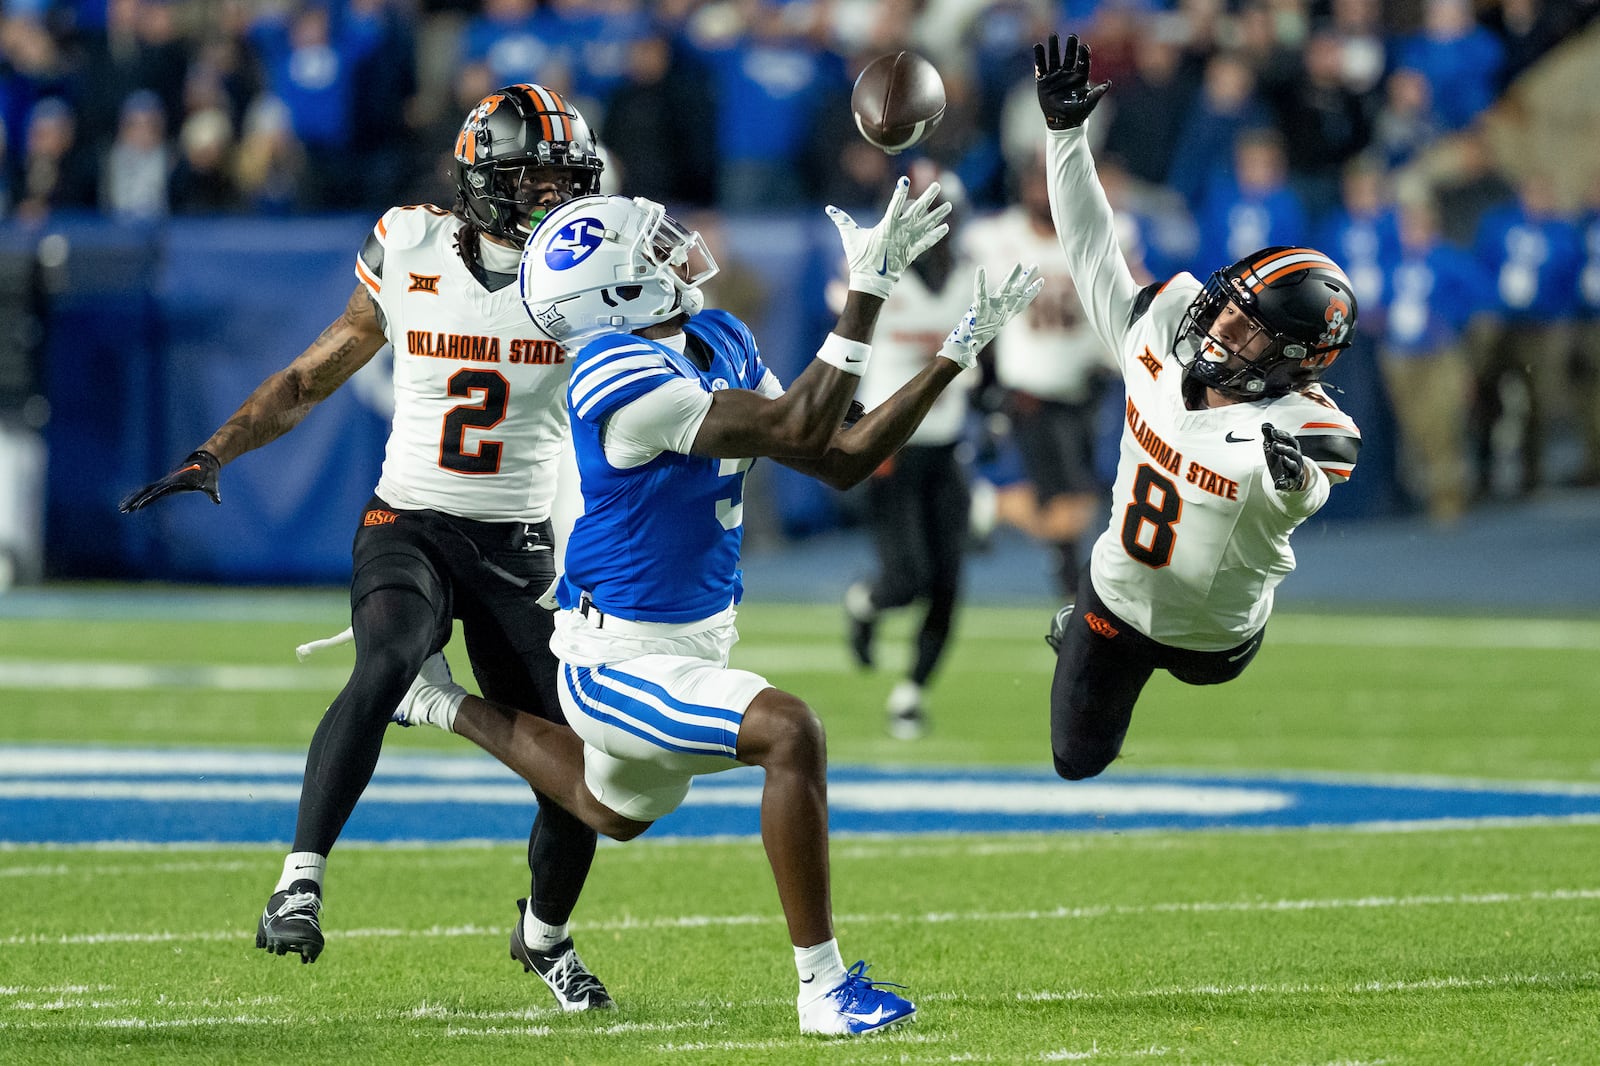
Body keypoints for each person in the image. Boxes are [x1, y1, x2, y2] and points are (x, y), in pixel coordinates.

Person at [394, 183, 1040, 1035]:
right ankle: (824, 989)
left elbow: (836, 457)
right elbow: (804, 427)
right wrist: (869, 292)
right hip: (617, 656)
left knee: (610, 810)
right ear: (613, 293)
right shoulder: (613, 375)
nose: (675, 251)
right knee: (790, 730)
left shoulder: (717, 335)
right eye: (650, 251)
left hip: (697, 641)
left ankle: (436, 699)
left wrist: (954, 354)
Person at [117, 84, 617, 1012]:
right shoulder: (413, 241)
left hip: (522, 540)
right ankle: (298, 881)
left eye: (564, 180)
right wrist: (215, 449)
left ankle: (544, 937)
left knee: (582, 767)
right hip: (411, 520)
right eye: (532, 179)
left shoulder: (592, 275)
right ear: (479, 180)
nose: (554, 200)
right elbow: (313, 373)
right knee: (389, 656)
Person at [1032, 33, 1362, 782]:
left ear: (1296, 362)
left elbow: (1309, 482)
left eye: (1250, 328)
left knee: (1202, 671)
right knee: (1075, 761)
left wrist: (1287, 483)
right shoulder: (1161, 334)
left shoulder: (1304, 426)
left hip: (1215, 636)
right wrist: (1065, 137)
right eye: (1227, 309)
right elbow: (1090, 248)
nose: (1220, 327)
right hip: (1115, 593)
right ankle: (1077, 622)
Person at [840, 163, 983, 739]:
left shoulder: (972, 275)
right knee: (908, 579)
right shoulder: (878, 277)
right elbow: (842, 352)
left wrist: (991, 409)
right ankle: (865, 603)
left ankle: (910, 694)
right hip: (888, 446)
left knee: (949, 584)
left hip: (947, 448)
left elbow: (986, 354)